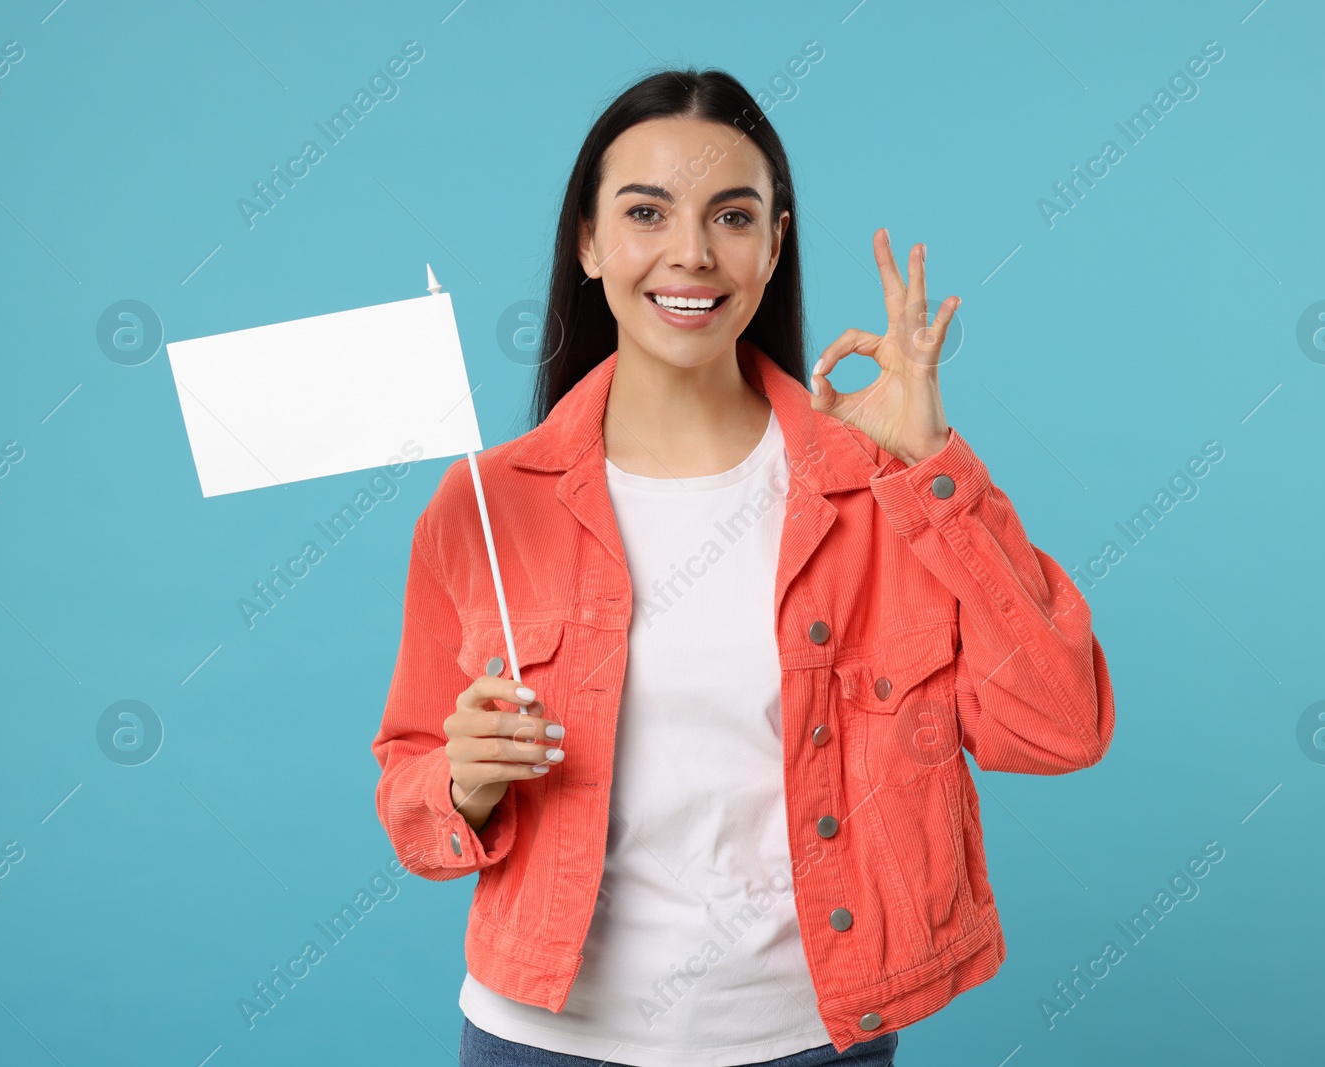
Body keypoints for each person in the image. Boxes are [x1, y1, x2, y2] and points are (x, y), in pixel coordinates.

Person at [370, 67, 1115, 1067]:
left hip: (809, 1039)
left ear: (773, 244)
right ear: (588, 241)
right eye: (646, 211)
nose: (690, 252)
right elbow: (411, 801)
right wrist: (459, 783)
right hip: (540, 1041)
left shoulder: (877, 487)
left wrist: (931, 469)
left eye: (731, 215)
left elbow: (1060, 724)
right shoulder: (485, 505)